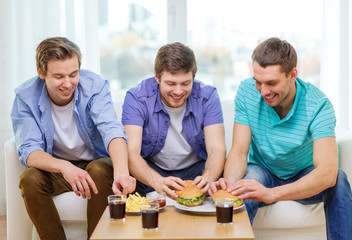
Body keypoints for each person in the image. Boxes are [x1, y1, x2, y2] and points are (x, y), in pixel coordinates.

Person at [210, 37, 352, 239]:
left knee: (339, 180)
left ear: (293, 74)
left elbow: (327, 173)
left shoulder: (318, 105)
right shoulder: (247, 91)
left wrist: (272, 194)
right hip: (261, 169)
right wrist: (229, 186)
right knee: (243, 188)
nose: (264, 91)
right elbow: (239, 152)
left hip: (302, 172)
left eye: (271, 83)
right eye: (258, 82)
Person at [11, 37, 136, 240]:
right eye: (59, 76)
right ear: (41, 73)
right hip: (57, 168)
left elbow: (112, 131)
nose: (68, 84)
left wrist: (122, 172)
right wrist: (64, 167)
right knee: (30, 178)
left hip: (94, 163)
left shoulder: (94, 86)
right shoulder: (26, 97)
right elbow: (28, 151)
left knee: (101, 168)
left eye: (73, 74)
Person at [122, 42, 226, 199]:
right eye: (171, 84)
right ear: (157, 77)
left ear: (193, 77)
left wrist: (208, 178)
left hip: (195, 169)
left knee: (222, 176)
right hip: (152, 167)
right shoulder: (136, 97)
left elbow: (216, 149)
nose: (178, 91)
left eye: (185, 83)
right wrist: (156, 181)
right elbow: (131, 152)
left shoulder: (208, 96)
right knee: (126, 175)